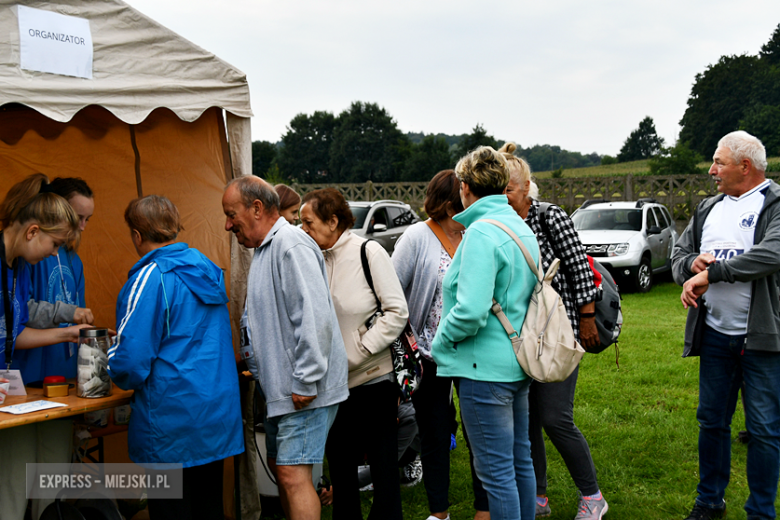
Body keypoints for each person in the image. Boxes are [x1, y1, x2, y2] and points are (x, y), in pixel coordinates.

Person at [107, 195, 243, 520]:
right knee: (208, 507)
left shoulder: (149, 277)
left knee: (173, 512)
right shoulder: (207, 268)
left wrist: (108, 359)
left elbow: (130, 361)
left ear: (137, 236)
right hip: (215, 414)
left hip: (172, 421)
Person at [223, 176, 348, 520]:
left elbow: (314, 316)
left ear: (257, 208)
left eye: (232, 214)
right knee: (285, 472)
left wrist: (306, 381)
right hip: (288, 391)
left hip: (304, 391)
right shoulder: (268, 247)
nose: (227, 223)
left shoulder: (290, 245)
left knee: (294, 476)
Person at [673, 131, 780, 520]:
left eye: (719, 161)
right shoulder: (708, 208)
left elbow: (771, 254)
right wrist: (691, 267)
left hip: (763, 342)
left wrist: (714, 273)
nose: (711, 169)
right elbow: (679, 252)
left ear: (745, 166)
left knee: (765, 430)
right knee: (711, 421)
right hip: (716, 335)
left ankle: (761, 512)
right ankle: (709, 502)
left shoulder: (775, 203)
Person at [500, 142, 607, 520]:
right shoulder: (503, 223)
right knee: (528, 419)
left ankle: (593, 496)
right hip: (523, 337)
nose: (504, 196)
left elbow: (580, 268)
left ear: (527, 187)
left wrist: (587, 318)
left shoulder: (550, 216)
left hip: (561, 330)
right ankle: (539, 495)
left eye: (509, 189)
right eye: (499, 190)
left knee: (555, 417)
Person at [431, 146, 539, 520]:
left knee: (496, 474)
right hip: (517, 362)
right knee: (518, 460)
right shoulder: (519, 225)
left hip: (482, 370)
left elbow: (471, 310)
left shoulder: (479, 233)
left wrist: (440, 341)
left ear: (464, 187)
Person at [300, 187, 408, 520]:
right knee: (342, 471)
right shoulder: (312, 257)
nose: (302, 230)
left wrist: (358, 350)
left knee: (384, 469)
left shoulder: (368, 252)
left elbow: (397, 312)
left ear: (333, 221)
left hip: (374, 381)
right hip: (332, 388)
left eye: (308, 222)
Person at [0, 173, 90, 520]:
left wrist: (67, 333)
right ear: (33, 231)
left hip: (13, 388)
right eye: (54, 245)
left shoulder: (18, 265)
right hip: (21, 383)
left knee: (36, 475)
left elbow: (15, 330)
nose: (56, 253)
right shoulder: (21, 261)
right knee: (12, 476)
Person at [393, 169, 473, 520]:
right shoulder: (416, 237)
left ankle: (484, 509)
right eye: (463, 201)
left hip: (474, 354)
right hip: (428, 355)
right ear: (447, 205)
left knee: (477, 435)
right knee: (436, 433)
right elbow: (391, 293)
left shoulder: (475, 235)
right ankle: (439, 513)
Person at [21, 177, 95, 382]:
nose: (82, 227)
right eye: (78, 217)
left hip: (66, 373)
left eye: (87, 219)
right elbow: (19, 314)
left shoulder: (74, 260)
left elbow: (79, 312)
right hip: (30, 372)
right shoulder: (32, 254)